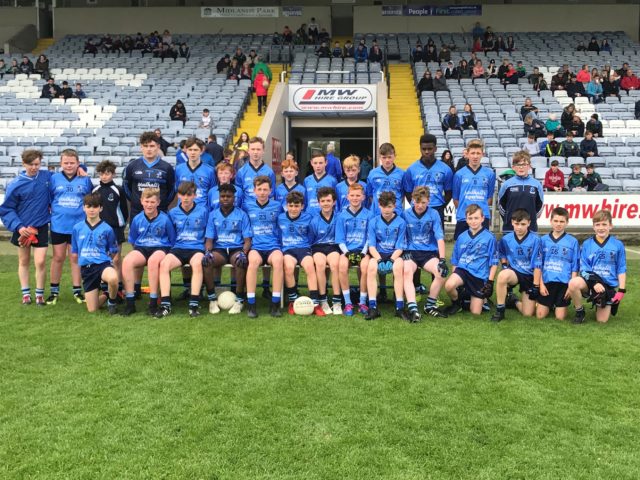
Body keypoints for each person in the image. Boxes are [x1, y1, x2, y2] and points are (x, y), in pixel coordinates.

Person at [0, 150, 52, 306]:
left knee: (41, 261)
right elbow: (7, 209)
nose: (34, 167)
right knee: (23, 261)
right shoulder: (16, 184)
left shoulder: (46, 177)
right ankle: (25, 294)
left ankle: (39, 295)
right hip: (22, 229)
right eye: (31, 164)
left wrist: (81, 167)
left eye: (37, 164)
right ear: (23, 164)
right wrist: (18, 227)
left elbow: (67, 171)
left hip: (41, 226)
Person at [46, 149, 94, 306]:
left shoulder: (85, 179)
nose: (69, 165)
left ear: (78, 163)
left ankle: (77, 291)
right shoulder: (54, 179)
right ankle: (54, 292)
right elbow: (50, 199)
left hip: (78, 226)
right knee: (58, 257)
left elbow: (90, 199)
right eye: (65, 162)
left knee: (75, 258)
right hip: (59, 225)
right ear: (61, 163)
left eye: (72, 163)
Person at [121, 188, 176, 316]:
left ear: (158, 202)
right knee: (127, 261)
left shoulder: (165, 219)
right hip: (142, 248)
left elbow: (172, 240)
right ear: (141, 201)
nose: (149, 205)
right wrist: (139, 252)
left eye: (152, 202)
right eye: (147, 201)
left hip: (160, 248)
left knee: (153, 261)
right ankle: (130, 302)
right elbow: (133, 240)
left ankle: (153, 302)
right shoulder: (137, 219)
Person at [568, 209, 626, 324]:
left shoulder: (618, 245)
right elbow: (584, 269)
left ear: (611, 226)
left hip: (607, 286)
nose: (601, 227)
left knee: (602, 321)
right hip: (590, 283)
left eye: (604, 224)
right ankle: (580, 311)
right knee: (573, 283)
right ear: (593, 227)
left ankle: (604, 299)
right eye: (597, 224)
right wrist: (595, 283)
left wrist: (621, 290)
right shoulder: (587, 244)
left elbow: (621, 268)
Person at [202, 183, 252, 316]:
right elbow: (209, 240)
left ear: (234, 198)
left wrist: (244, 252)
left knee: (241, 262)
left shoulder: (242, 214)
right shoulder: (213, 215)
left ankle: (240, 300)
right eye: (222, 196)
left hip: (236, 248)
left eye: (228, 196)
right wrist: (207, 252)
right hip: (220, 250)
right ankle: (212, 299)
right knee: (207, 261)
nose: (225, 198)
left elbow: (247, 240)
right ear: (219, 197)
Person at [401, 187, 448, 322]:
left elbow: (440, 238)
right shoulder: (405, 214)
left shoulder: (434, 214)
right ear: (412, 200)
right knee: (407, 272)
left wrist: (442, 259)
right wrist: (404, 252)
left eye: (423, 202)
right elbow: (401, 236)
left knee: (441, 272)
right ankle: (413, 309)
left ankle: (429, 305)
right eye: (417, 202)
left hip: (428, 253)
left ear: (429, 201)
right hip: (411, 252)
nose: (420, 205)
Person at [444, 204, 498, 316]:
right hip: (463, 271)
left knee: (475, 313)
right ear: (466, 220)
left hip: (479, 275)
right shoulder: (461, 237)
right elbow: (455, 259)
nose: (473, 221)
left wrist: (490, 282)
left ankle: (481, 300)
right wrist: (455, 276)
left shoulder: (490, 237)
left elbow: (494, 262)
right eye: (470, 218)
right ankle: (457, 303)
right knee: (449, 285)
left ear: (483, 218)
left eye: (476, 218)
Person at [70, 193, 119, 314]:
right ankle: (107, 294)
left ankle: (112, 303)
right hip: (87, 269)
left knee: (113, 278)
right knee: (93, 310)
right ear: (84, 207)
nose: (92, 209)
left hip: (102, 265)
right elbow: (75, 252)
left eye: (95, 206)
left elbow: (113, 250)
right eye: (89, 206)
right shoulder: (77, 228)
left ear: (101, 208)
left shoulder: (107, 229)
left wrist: (109, 262)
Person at [243, 176, 284, 318]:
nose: (262, 192)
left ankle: (275, 303)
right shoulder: (247, 206)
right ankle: (251, 304)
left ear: (271, 191)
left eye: (265, 189)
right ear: (254, 190)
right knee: (253, 262)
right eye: (259, 189)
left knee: (279, 261)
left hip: (273, 245)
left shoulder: (277, 206)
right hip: (256, 246)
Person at [278, 191, 323, 316]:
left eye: (297, 206)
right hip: (288, 249)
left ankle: (315, 302)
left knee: (310, 267)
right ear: (286, 206)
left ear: (302, 206)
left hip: (303, 248)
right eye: (291, 206)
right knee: (288, 267)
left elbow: (313, 234)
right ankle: (293, 300)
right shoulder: (280, 218)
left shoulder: (308, 218)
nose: (293, 209)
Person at [491, 209, 540, 322]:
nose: (519, 227)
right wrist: (504, 265)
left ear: (529, 223)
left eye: (523, 224)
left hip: (530, 276)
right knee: (503, 275)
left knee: (528, 314)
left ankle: (514, 301)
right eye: (516, 224)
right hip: (515, 273)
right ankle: (500, 310)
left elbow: (538, 264)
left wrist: (536, 286)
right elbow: (502, 253)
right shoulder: (506, 239)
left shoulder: (536, 240)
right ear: (512, 222)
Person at [364, 191, 407, 321]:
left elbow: (400, 246)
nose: (386, 209)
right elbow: (371, 245)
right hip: (378, 254)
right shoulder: (373, 221)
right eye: (383, 206)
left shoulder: (401, 222)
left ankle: (399, 307)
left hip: (395, 254)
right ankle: (373, 307)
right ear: (379, 206)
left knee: (398, 267)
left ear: (394, 206)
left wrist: (392, 260)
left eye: (389, 206)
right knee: (371, 267)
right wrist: (379, 260)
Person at [533, 207, 579, 321]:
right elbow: (539, 265)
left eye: (562, 221)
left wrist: (570, 287)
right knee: (540, 315)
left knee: (560, 317)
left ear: (567, 222)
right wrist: (541, 284)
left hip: (563, 284)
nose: (558, 224)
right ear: (551, 221)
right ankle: (543, 303)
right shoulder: (542, 240)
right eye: (556, 221)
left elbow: (575, 266)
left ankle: (555, 305)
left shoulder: (573, 242)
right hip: (547, 282)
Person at [92, 160, 129, 298]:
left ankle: (118, 287)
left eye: (107, 173)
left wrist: (121, 224)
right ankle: (104, 286)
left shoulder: (118, 190)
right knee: (102, 258)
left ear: (113, 174)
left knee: (116, 259)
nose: (104, 176)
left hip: (115, 228)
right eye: (102, 174)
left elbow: (124, 210)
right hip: (100, 229)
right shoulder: (95, 190)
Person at [403, 134, 453, 230]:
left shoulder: (445, 169)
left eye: (430, 149)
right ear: (420, 149)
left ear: (435, 149)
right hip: (417, 209)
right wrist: (417, 204)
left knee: (438, 239)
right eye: (424, 149)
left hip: (437, 208)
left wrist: (441, 206)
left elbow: (449, 192)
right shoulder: (411, 169)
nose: (426, 152)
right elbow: (408, 192)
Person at [123, 131, 176, 221]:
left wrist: (161, 203)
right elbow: (126, 187)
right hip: (137, 212)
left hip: (160, 212)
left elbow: (171, 190)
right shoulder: (132, 166)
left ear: (158, 147)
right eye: (145, 146)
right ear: (141, 147)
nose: (149, 149)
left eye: (152, 146)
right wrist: (136, 201)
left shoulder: (167, 167)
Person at [336, 183, 371, 316]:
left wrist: (363, 253)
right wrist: (347, 253)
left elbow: (370, 237)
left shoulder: (369, 214)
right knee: (342, 266)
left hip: (363, 251)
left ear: (363, 197)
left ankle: (362, 301)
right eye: (352, 195)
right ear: (347, 196)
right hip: (347, 251)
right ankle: (348, 302)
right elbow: (340, 239)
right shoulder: (342, 216)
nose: (355, 198)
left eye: (358, 195)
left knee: (365, 267)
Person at [452, 139, 495, 239]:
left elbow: (489, 198)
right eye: (472, 153)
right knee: (462, 248)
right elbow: (456, 199)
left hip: (482, 218)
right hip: (463, 217)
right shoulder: (459, 174)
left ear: (482, 154)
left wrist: (479, 212)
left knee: (482, 248)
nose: (475, 156)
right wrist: (466, 212)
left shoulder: (490, 174)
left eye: (478, 153)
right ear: (467, 154)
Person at [309, 187, 342, 315]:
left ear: (334, 202)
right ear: (319, 203)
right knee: (320, 265)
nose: (326, 203)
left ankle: (337, 301)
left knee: (335, 265)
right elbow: (311, 240)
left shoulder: (339, 218)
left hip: (333, 247)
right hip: (318, 247)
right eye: (323, 201)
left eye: (328, 200)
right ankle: (323, 299)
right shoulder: (314, 219)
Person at [498, 151, 544, 232]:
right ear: (513, 167)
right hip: (510, 228)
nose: (521, 167)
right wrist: (507, 218)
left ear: (529, 166)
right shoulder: (506, 184)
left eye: (524, 164)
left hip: (530, 228)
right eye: (518, 165)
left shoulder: (536, 184)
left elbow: (540, 206)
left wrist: (531, 219)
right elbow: (501, 205)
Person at [234, 137, 276, 206]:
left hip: (264, 210)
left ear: (263, 151)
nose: (255, 152)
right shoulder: (241, 172)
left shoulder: (269, 172)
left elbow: (271, 194)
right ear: (248, 151)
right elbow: (238, 194)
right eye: (253, 149)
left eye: (258, 149)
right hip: (246, 210)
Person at [366, 143, 405, 216]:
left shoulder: (402, 174)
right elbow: (370, 194)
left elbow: (402, 194)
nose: (387, 160)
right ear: (380, 157)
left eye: (389, 157)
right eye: (384, 157)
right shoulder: (373, 173)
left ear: (394, 156)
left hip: (396, 212)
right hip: (377, 212)